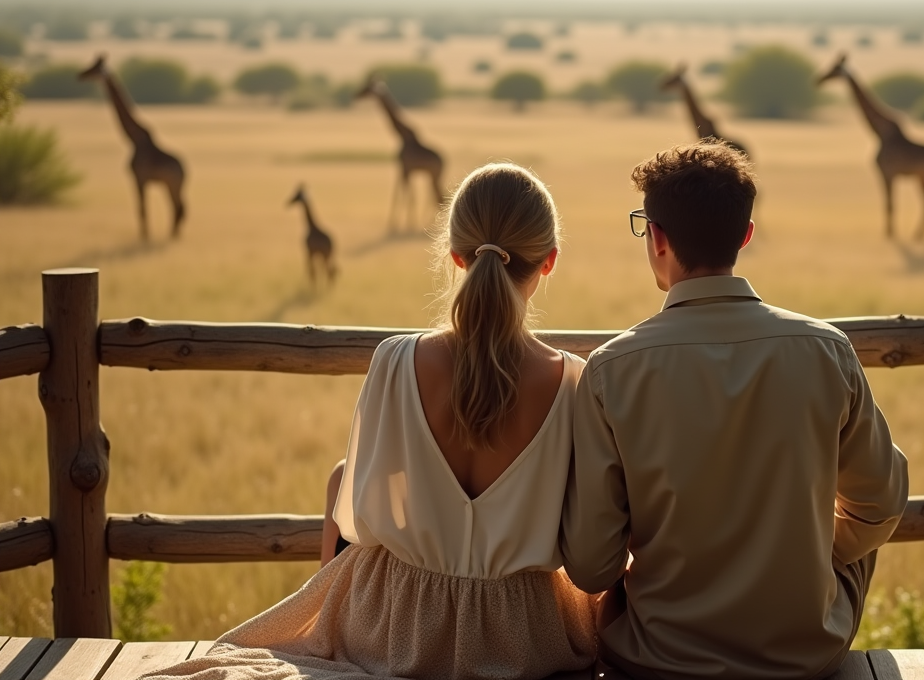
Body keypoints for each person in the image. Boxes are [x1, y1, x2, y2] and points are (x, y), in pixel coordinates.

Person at [144, 163, 597, 680]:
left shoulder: (395, 360)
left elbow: (359, 518)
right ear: (549, 261)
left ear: (454, 256)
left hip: (396, 630)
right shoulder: (572, 382)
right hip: (524, 641)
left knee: (340, 476)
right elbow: (582, 538)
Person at [560, 143, 908, 680]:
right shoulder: (826, 349)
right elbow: (881, 503)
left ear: (656, 238)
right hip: (805, 656)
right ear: (745, 235)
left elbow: (590, 565)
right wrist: (805, 554)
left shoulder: (612, 369)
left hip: (660, 659)